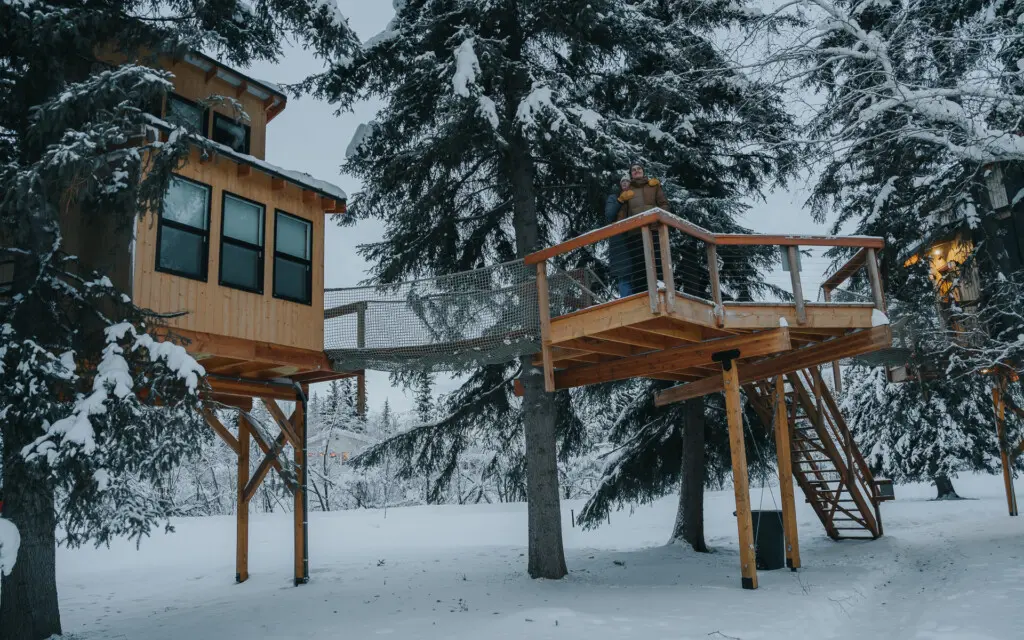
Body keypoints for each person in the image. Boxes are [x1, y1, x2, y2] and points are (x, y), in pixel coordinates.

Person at [616, 161, 669, 292]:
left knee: (656, 258)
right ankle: (641, 291)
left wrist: (659, 219)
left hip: (654, 229)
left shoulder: (654, 186)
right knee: (638, 262)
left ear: (643, 171)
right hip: (634, 233)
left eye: (639, 168)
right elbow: (623, 211)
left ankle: (660, 286)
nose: (636, 171)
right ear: (631, 175)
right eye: (633, 170)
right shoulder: (627, 191)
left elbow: (664, 204)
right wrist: (620, 226)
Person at [605, 176, 633, 297]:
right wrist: (620, 200)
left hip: (635, 236)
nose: (625, 183)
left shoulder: (635, 196)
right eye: (623, 181)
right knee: (624, 275)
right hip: (619, 240)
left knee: (639, 272)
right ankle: (626, 302)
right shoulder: (614, 198)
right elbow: (609, 215)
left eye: (627, 181)